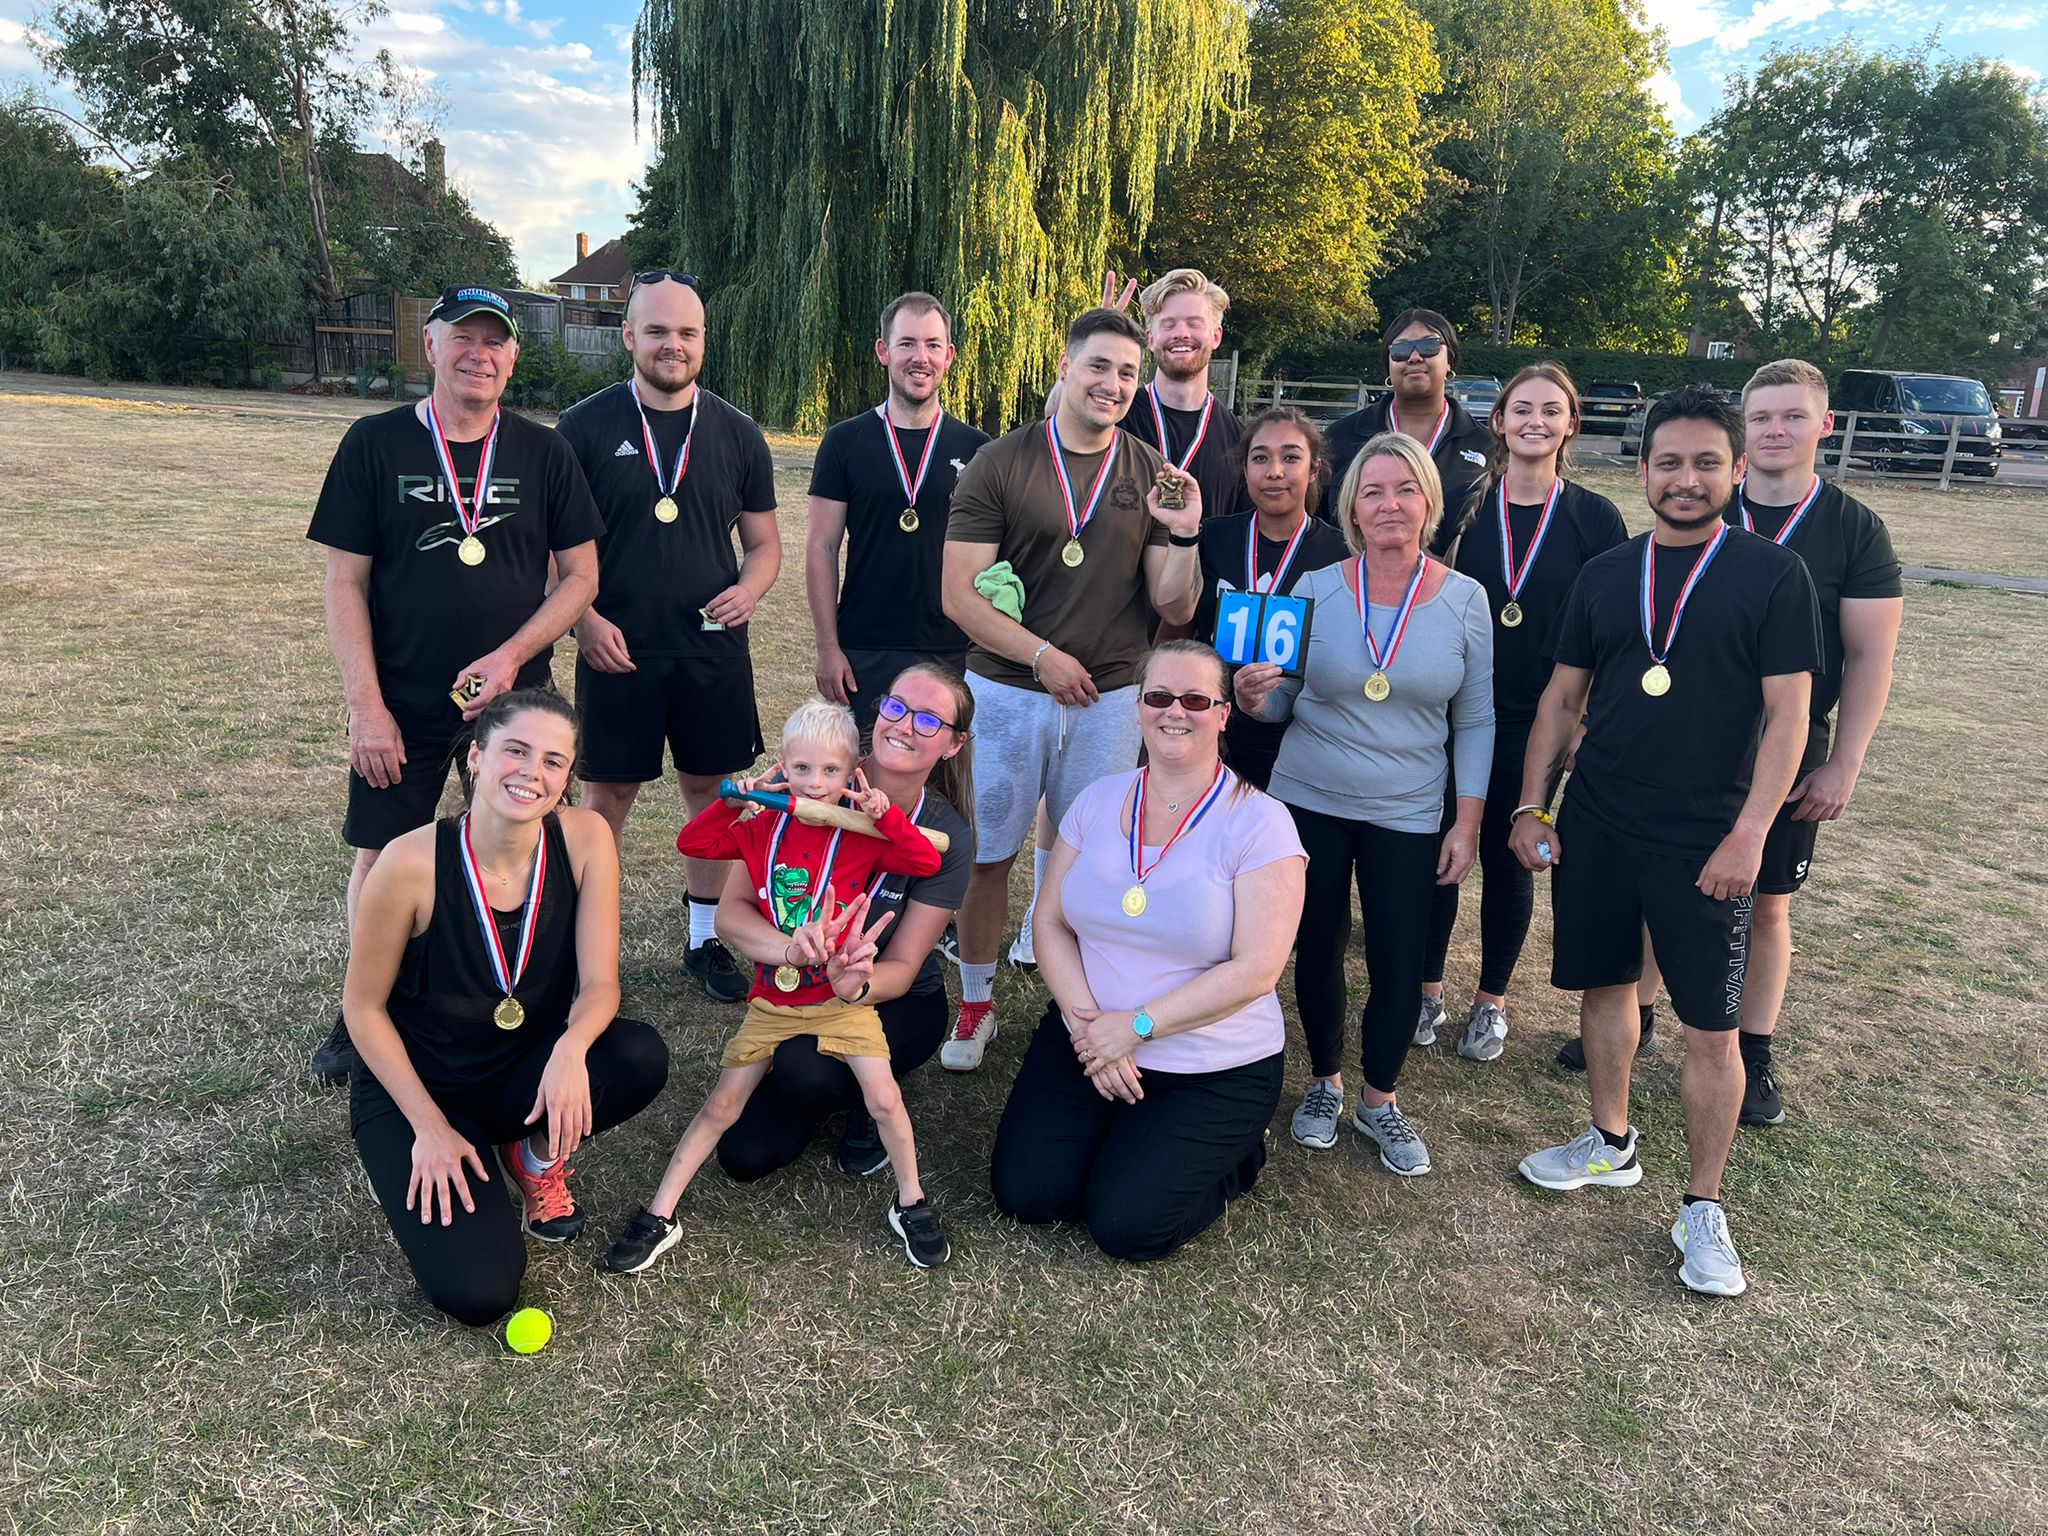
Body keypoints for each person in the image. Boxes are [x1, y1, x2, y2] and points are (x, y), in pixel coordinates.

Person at [1512, 386, 1820, 1299]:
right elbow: (1562, 701)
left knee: (1710, 1034)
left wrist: (1751, 835)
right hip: (1601, 823)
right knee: (1605, 989)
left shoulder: (1772, 576)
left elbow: (1789, 715)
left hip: (1709, 840)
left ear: (1734, 471)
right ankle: (1610, 1142)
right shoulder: (1608, 573)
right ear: (1641, 469)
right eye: (1669, 463)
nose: (1686, 480)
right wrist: (1535, 808)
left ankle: (1701, 1206)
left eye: (1705, 463)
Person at [308, 283, 603, 1086]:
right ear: (430, 347)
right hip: (401, 697)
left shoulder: (546, 454)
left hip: (517, 703)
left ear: (513, 357)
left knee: (530, 846)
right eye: (462, 338)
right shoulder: (373, 446)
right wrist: (365, 707)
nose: (479, 353)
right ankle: (361, 1007)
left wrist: (511, 656)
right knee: (383, 850)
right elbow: (344, 585)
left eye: (495, 341)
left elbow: (580, 578)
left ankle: (529, 992)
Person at [1626, 360, 1903, 1125]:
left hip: (1783, 752)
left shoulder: (1852, 530)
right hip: (1672, 740)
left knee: (1766, 904)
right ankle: (1637, 1015)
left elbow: (1870, 655)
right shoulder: (1700, 501)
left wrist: (1844, 761)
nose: (1778, 429)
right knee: (1655, 888)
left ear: (1826, 425)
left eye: (1793, 416)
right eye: (1765, 417)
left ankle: (1754, 1050)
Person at [341, 690, 670, 1326]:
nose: (532, 773)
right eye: (515, 751)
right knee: (481, 1293)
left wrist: (571, 1050)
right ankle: (463, 1148)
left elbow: (601, 984)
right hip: (421, 1091)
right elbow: (363, 1010)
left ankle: (530, 1156)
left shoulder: (585, 838)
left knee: (636, 1054)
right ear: (476, 758)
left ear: (568, 777)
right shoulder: (409, 864)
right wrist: (431, 1131)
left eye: (553, 761)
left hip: (521, 1068)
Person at [938, 307, 1204, 1072]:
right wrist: (1042, 656)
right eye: (1099, 366)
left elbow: (1175, 606)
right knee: (988, 856)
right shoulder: (1002, 461)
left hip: (1113, 699)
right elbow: (959, 596)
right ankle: (977, 1004)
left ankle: (1077, 1014)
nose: (1113, 384)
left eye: (1128, 372)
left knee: (1097, 865)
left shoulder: (1152, 471)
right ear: (1065, 365)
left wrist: (1182, 532)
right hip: (1007, 694)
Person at [603, 697, 950, 1273]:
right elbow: (695, 845)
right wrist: (732, 801)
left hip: (838, 996)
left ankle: (911, 1201)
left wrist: (884, 813)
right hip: (774, 995)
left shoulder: (861, 831)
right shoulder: (763, 824)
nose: (815, 784)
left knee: (884, 1097)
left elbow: (923, 862)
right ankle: (660, 1213)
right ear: (783, 767)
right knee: (722, 1104)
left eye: (831, 771)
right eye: (803, 768)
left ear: (852, 773)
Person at [989, 641, 1306, 1259]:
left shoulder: (1262, 823)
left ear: (1223, 714)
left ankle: (1239, 1149)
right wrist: (1089, 1027)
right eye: (1158, 696)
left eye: (1195, 699)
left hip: (1211, 1065)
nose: (1174, 711)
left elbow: (1256, 970)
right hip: (1090, 1041)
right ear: (1138, 707)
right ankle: (1123, 1134)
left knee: (1128, 1229)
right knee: (1028, 1195)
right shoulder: (1098, 801)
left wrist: (1134, 1027)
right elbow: (1051, 922)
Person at [1235, 433, 1493, 1175]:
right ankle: (1324, 1083)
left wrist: (1466, 819)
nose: (1389, 504)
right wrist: (1256, 699)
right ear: (1351, 506)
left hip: (1409, 810)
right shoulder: (1316, 587)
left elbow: (1475, 719)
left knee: (1397, 956)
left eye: (1404, 489)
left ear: (1428, 503)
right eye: (1372, 491)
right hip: (1308, 798)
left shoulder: (1466, 600)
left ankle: (1379, 1101)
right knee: (1315, 945)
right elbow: (1281, 700)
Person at [554, 270, 781, 1008]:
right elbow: (555, 549)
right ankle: (586, 946)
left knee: (713, 797)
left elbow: (765, 545)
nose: (672, 345)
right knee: (607, 793)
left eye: (686, 333)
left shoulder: (738, 433)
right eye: (656, 331)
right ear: (628, 336)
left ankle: (704, 939)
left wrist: (748, 589)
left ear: (704, 341)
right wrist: (584, 621)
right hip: (614, 646)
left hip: (711, 649)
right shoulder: (583, 428)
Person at [1416, 365, 1629, 1062]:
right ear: (1499, 421)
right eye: (1522, 409)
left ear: (1571, 424)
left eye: (1552, 410)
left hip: (1539, 722)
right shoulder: (1460, 503)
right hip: (1454, 713)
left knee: (1511, 860)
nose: (1536, 420)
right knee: (1442, 855)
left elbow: (1613, 631)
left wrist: (1586, 720)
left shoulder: (1595, 518)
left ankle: (1491, 1003)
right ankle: (1427, 990)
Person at [712, 663, 975, 1182]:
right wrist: (792, 953)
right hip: (796, 987)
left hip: (892, 999)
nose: (904, 725)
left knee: (802, 1069)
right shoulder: (815, 775)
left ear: (953, 745)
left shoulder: (948, 834)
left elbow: (902, 965)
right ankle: (829, 1078)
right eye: (897, 707)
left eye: (928, 721)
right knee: (743, 1156)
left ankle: (868, 1101)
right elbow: (730, 914)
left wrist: (850, 986)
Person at [807, 293, 991, 731]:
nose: (920, 357)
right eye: (907, 343)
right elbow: (822, 545)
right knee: (864, 782)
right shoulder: (845, 442)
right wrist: (828, 647)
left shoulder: (979, 449)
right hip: (863, 646)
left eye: (932, 345)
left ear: (949, 356)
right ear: (883, 351)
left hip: (952, 648)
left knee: (946, 785)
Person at [1193, 406, 1350, 788]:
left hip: (1303, 742)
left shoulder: (1342, 553)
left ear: (1314, 470)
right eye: (1260, 458)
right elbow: (1179, 626)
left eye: (1291, 457)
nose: (1274, 471)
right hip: (1216, 736)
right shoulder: (1211, 538)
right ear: (1244, 469)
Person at [1314, 309, 1492, 528]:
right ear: (1388, 365)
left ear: (1450, 362)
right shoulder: (1339, 438)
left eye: (1429, 347)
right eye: (1400, 349)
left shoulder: (1486, 445)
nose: (1414, 357)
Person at [1119, 268, 1246, 528]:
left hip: (1199, 569)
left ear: (1216, 336)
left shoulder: (1240, 441)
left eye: (1194, 323)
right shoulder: (1116, 416)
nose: (1182, 333)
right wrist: (1089, 353)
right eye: (1169, 324)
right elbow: (1059, 419)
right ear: (1151, 339)